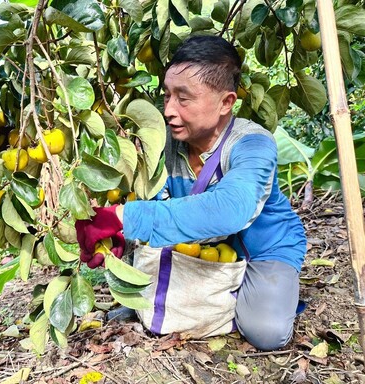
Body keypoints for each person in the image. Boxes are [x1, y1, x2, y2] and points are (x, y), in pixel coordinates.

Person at [75, 35, 307, 351]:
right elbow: (152, 201)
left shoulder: (253, 144)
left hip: (263, 247)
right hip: (200, 246)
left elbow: (230, 210)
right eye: (167, 95)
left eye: (184, 99)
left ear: (226, 102)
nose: (169, 110)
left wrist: (123, 218)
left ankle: (261, 293)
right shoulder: (166, 144)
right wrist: (120, 236)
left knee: (265, 331)